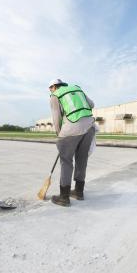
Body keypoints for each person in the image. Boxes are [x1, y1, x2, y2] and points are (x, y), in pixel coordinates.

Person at [48, 79, 96, 207]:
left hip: (71, 129)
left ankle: (64, 197)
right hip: (89, 126)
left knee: (66, 161)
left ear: (53, 87)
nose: (50, 91)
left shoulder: (55, 95)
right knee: (82, 158)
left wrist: (59, 136)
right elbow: (92, 104)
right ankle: (79, 192)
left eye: (50, 88)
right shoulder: (77, 88)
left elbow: (56, 117)